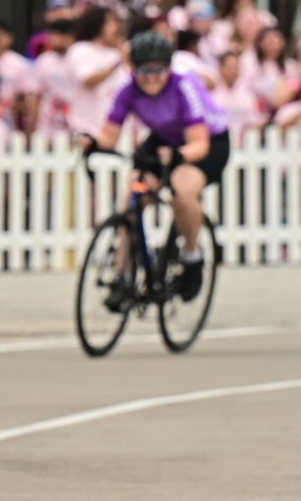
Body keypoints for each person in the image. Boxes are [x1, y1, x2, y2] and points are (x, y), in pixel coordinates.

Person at [81, 32, 228, 301]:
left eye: (158, 69)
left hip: (205, 142)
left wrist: (177, 155)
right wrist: (92, 142)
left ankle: (192, 256)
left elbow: (199, 144)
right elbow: (109, 136)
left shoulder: (184, 87)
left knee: (182, 191)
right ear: (132, 68)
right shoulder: (127, 91)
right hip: (163, 139)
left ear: (169, 67)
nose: (150, 76)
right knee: (132, 201)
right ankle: (122, 275)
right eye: (142, 70)